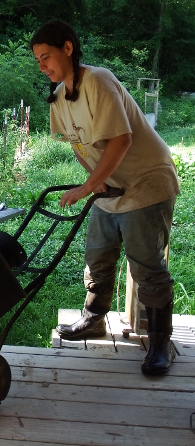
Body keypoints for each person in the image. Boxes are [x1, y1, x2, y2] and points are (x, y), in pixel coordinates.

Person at [30, 20, 179, 375]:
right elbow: (78, 146)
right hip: (109, 187)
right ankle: (95, 318)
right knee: (97, 254)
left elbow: (121, 139)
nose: (42, 66)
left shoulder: (98, 80)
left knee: (146, 266)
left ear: (68, 48)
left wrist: (84, 188)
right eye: (37, 60)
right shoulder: (58, 98)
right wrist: (93, 182)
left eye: (46, 56)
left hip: (146, 182)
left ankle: (161, 341)